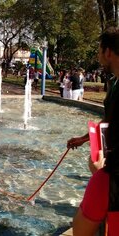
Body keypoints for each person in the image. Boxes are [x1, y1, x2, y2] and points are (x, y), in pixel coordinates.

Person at [69, 27, 119, 235]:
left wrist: (100, 172)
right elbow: (109, 121)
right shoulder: (115, 83)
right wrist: (84, 139)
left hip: (113, 176)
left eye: (99, 50)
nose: (98, 56)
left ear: (108, 52)